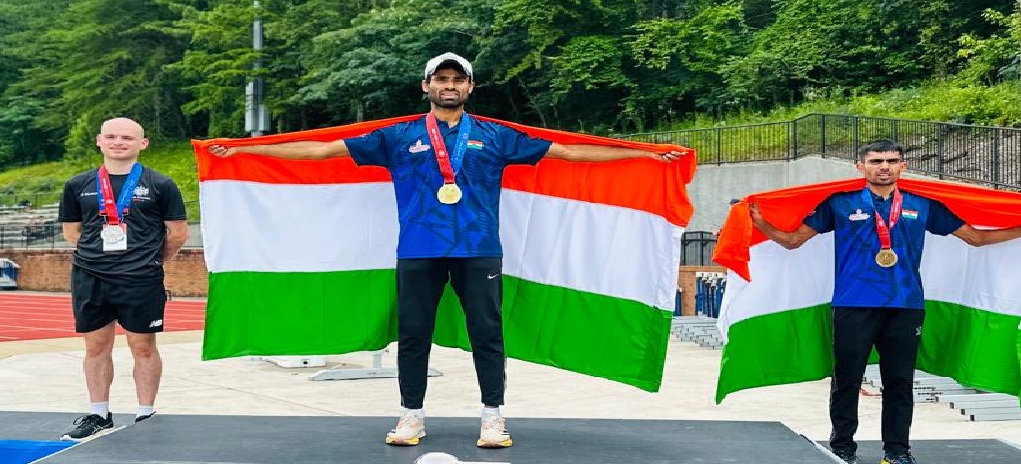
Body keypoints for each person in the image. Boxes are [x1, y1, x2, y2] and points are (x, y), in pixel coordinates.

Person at [209, 52, 683, 448]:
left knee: (487, 334)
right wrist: (245, 150)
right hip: (419, 250)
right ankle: (411, 415)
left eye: (458, 80)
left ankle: (493, 417)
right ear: (427, 86)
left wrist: (645, 154)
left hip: (479, 249)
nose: (449, 86)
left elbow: (568, 152)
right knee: (414, 334)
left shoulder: (495, 136)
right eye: (442, 79)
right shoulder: (398, 137)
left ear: (470, 87)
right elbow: (322, 150)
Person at [748, 140, 1021, 464]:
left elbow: (976, 238)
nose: (884, 166)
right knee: (847, 379)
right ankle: (842, 449)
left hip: (905, 306)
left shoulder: (923, 204)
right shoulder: (840, 203)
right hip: (853, 304)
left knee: (900, 382)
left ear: (903, 166)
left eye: (891, 160)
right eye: (876, 161)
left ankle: (897, 452)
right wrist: (761, 223)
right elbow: (793, 241)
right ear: (860, 166)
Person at [57, 117, 189, 440]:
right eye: (112, 136)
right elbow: (72, 232)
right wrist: (99, 257)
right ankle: (99, 414)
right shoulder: (77, 184)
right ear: (99, 141)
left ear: (143, 144)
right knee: (95, 347)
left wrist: (150, 259)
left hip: (141, 278)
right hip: (91, 277)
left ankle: (146, 413)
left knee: (143, 347)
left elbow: (178, 233)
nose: (119, 142)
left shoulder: (161, 184)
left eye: (127, 138)